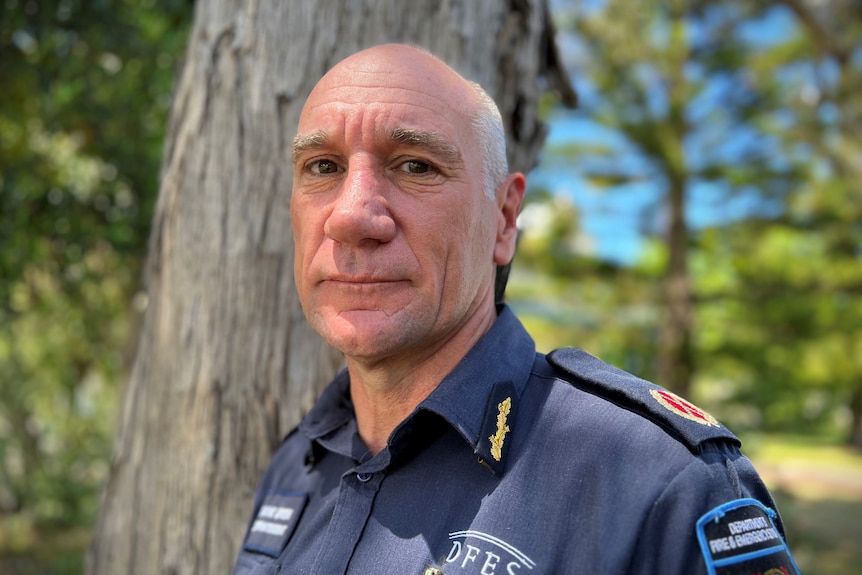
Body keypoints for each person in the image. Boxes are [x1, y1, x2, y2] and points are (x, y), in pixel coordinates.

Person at [231, 44, 799, 575]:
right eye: (323, 168)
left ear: (504, 220)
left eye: (415, 166)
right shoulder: (297, 464)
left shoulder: (660, 483)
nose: (351, 217)